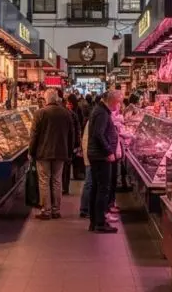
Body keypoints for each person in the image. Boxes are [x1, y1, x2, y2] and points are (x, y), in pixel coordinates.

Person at [28, 89, 75, 220]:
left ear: (46, 99)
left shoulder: (40, 113)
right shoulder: (66, 113)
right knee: (57, 181)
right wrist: (70, 152)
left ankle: (46, 210)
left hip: (43, 153)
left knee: (44, 181)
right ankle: (56, 210)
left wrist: (31, 152)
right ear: (57, 99)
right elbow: (71, 134)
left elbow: (34, 135)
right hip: (61, 152)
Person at [86, 90, 122, 234]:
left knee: (97, 188)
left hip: (97, 155)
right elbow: (98, 134)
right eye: (118, 102)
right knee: (102, 189)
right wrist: (108, 152)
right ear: (112, 101)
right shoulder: (101, 112)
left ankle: (95, 221)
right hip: (100, 156)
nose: (118, 105)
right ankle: (99, 223)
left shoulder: (100, 110)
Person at [62, 94, 82, 195]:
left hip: (70, 144)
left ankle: (65, 187)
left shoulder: (74, 114)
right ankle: (64, 187)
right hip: (67, 144)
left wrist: (77, 144)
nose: (68, 105)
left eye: (70, 103)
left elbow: (78, 129)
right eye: (67, 103)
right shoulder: (67, 114)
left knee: (67, 166)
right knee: (65, 167)